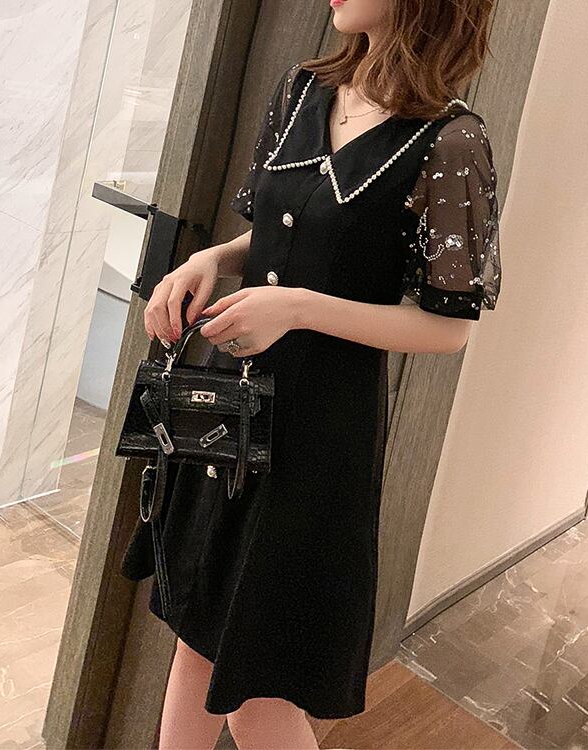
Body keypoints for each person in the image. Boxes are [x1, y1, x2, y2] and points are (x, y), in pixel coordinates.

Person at [129, 0, 501, 747]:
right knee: (199, 632)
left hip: (320, 435)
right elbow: (275, 227)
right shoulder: (303, 90)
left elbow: (449, 327)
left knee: (256, 684)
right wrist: (210, 260)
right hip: (231, 411)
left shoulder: (452, 141)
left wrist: (298, 308)